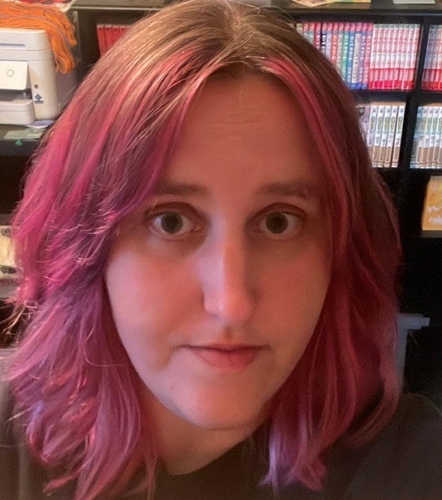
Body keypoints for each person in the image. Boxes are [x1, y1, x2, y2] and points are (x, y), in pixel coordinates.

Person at [1, 0, 441, 499]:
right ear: (88, 246)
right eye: (170, 220)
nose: (231, 303)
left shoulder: (409, 465)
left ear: (340, 248)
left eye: (279, 221)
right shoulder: (11, 434)